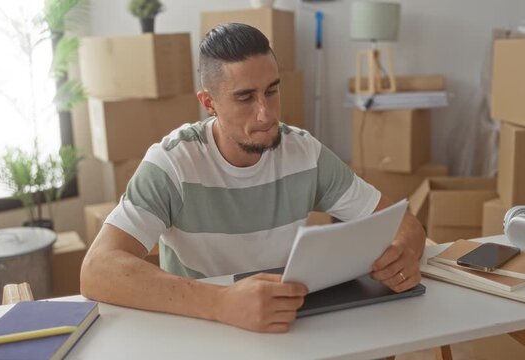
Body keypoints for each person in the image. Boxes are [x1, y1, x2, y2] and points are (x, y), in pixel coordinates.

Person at [80, 23, 425, 333]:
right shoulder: (172, 163)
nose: (265, 113)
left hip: (286, 326)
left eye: (272, 91)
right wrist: (220, 303)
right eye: (245, 97)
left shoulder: (305, 152)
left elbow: (403, 223)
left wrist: (404, 253)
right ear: (208, 102)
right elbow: (97, 270)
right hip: (201, 330)